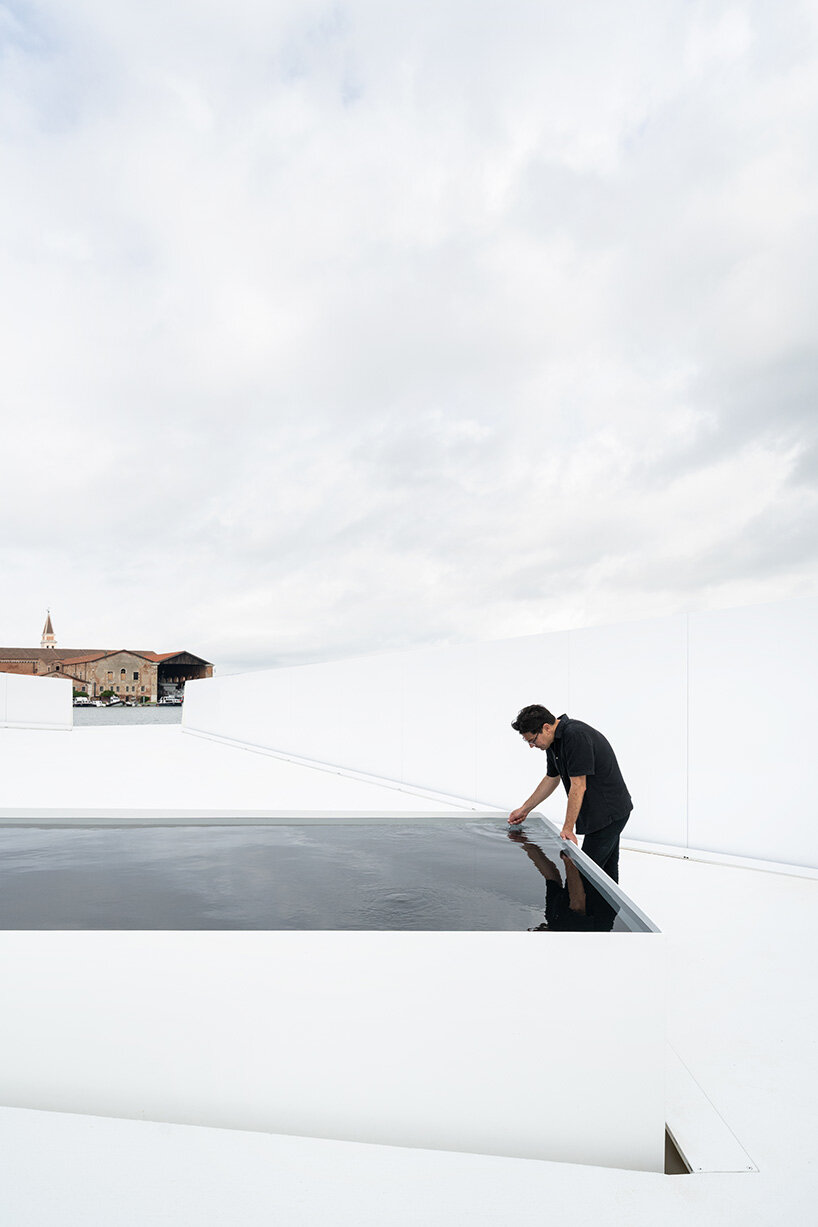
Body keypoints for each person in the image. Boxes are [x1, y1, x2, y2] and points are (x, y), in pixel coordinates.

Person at [508, 704, 632, 882]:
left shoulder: (575, 736)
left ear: (546, 727)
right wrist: (524, 809)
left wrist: (567, 828)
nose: (531, 746)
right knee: (605, 874)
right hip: (602, 812)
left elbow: (578, 785)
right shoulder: (553, 742)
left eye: (533, 740)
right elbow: (551, 778)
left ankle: (589, 909)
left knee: (585, 876)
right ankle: (607, 910)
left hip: (609, 813)